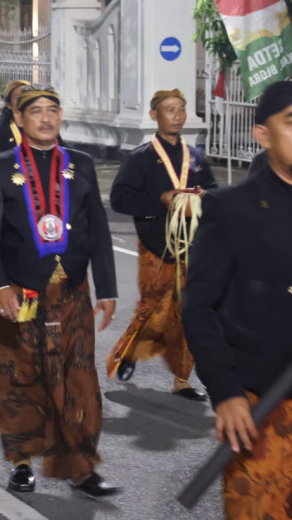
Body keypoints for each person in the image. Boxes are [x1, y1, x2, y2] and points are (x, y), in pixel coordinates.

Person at [0, 85, 120, 497]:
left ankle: (83, 467)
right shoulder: (0, 166)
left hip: (72, 290)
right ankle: (21, 463)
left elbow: (99, 232)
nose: (46, 118)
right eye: (35, 111)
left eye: (52, 110)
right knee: (20, 375)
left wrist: (107, 288)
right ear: (19, 119)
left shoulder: (81, 165)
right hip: (23, 292)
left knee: (80, 377)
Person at [182, 80, 292, 519]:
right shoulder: (231, 208)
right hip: (259, 404)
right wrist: (226, 392)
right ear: (263, 135)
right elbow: (199, 307)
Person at [107, 89, 216, 400]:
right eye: (170, 110)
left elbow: (213, 191)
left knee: (188, 313)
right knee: (154, 309)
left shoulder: (195, 157)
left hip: (192, 248)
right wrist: (161, 201)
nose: (178, 115)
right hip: (155, 247)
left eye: (182, 109)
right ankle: (128, 352)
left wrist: (205, 198)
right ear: (155, 115)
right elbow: (119, 199)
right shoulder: (140, 157)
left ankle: (182, 379)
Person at [0, 80, 30, 154]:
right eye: (19, 97)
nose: (24, 101)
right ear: (8, 104)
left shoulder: (43, 129)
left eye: (27, 97)